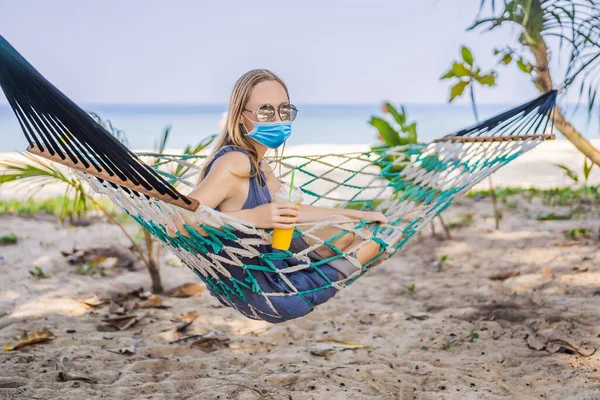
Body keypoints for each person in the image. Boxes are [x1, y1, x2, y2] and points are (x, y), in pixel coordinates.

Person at [184, 69, 388, 322]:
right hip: (267, 293)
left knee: (351, 232)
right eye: (265, 111)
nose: (278, 120)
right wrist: (252, 217)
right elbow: (178, 223)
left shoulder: (259, 164)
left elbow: (291, 210)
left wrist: (359, 213)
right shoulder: (235, 162)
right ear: (239, 117)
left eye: (284, 110)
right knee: (372, 245)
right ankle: (321, 279)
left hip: (267, 270)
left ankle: (333, 265)